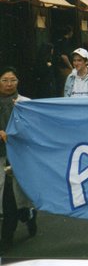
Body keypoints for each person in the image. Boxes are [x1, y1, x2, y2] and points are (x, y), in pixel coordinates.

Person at [0, 67, 37, 252]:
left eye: (12, 80)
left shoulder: (25, 103)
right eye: (5, 80)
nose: (9, 84)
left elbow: (33, 129)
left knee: (18, 196)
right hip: (2, 156)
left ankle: (29, 218)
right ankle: (8, 235)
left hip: (19, 157)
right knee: (8, 199)